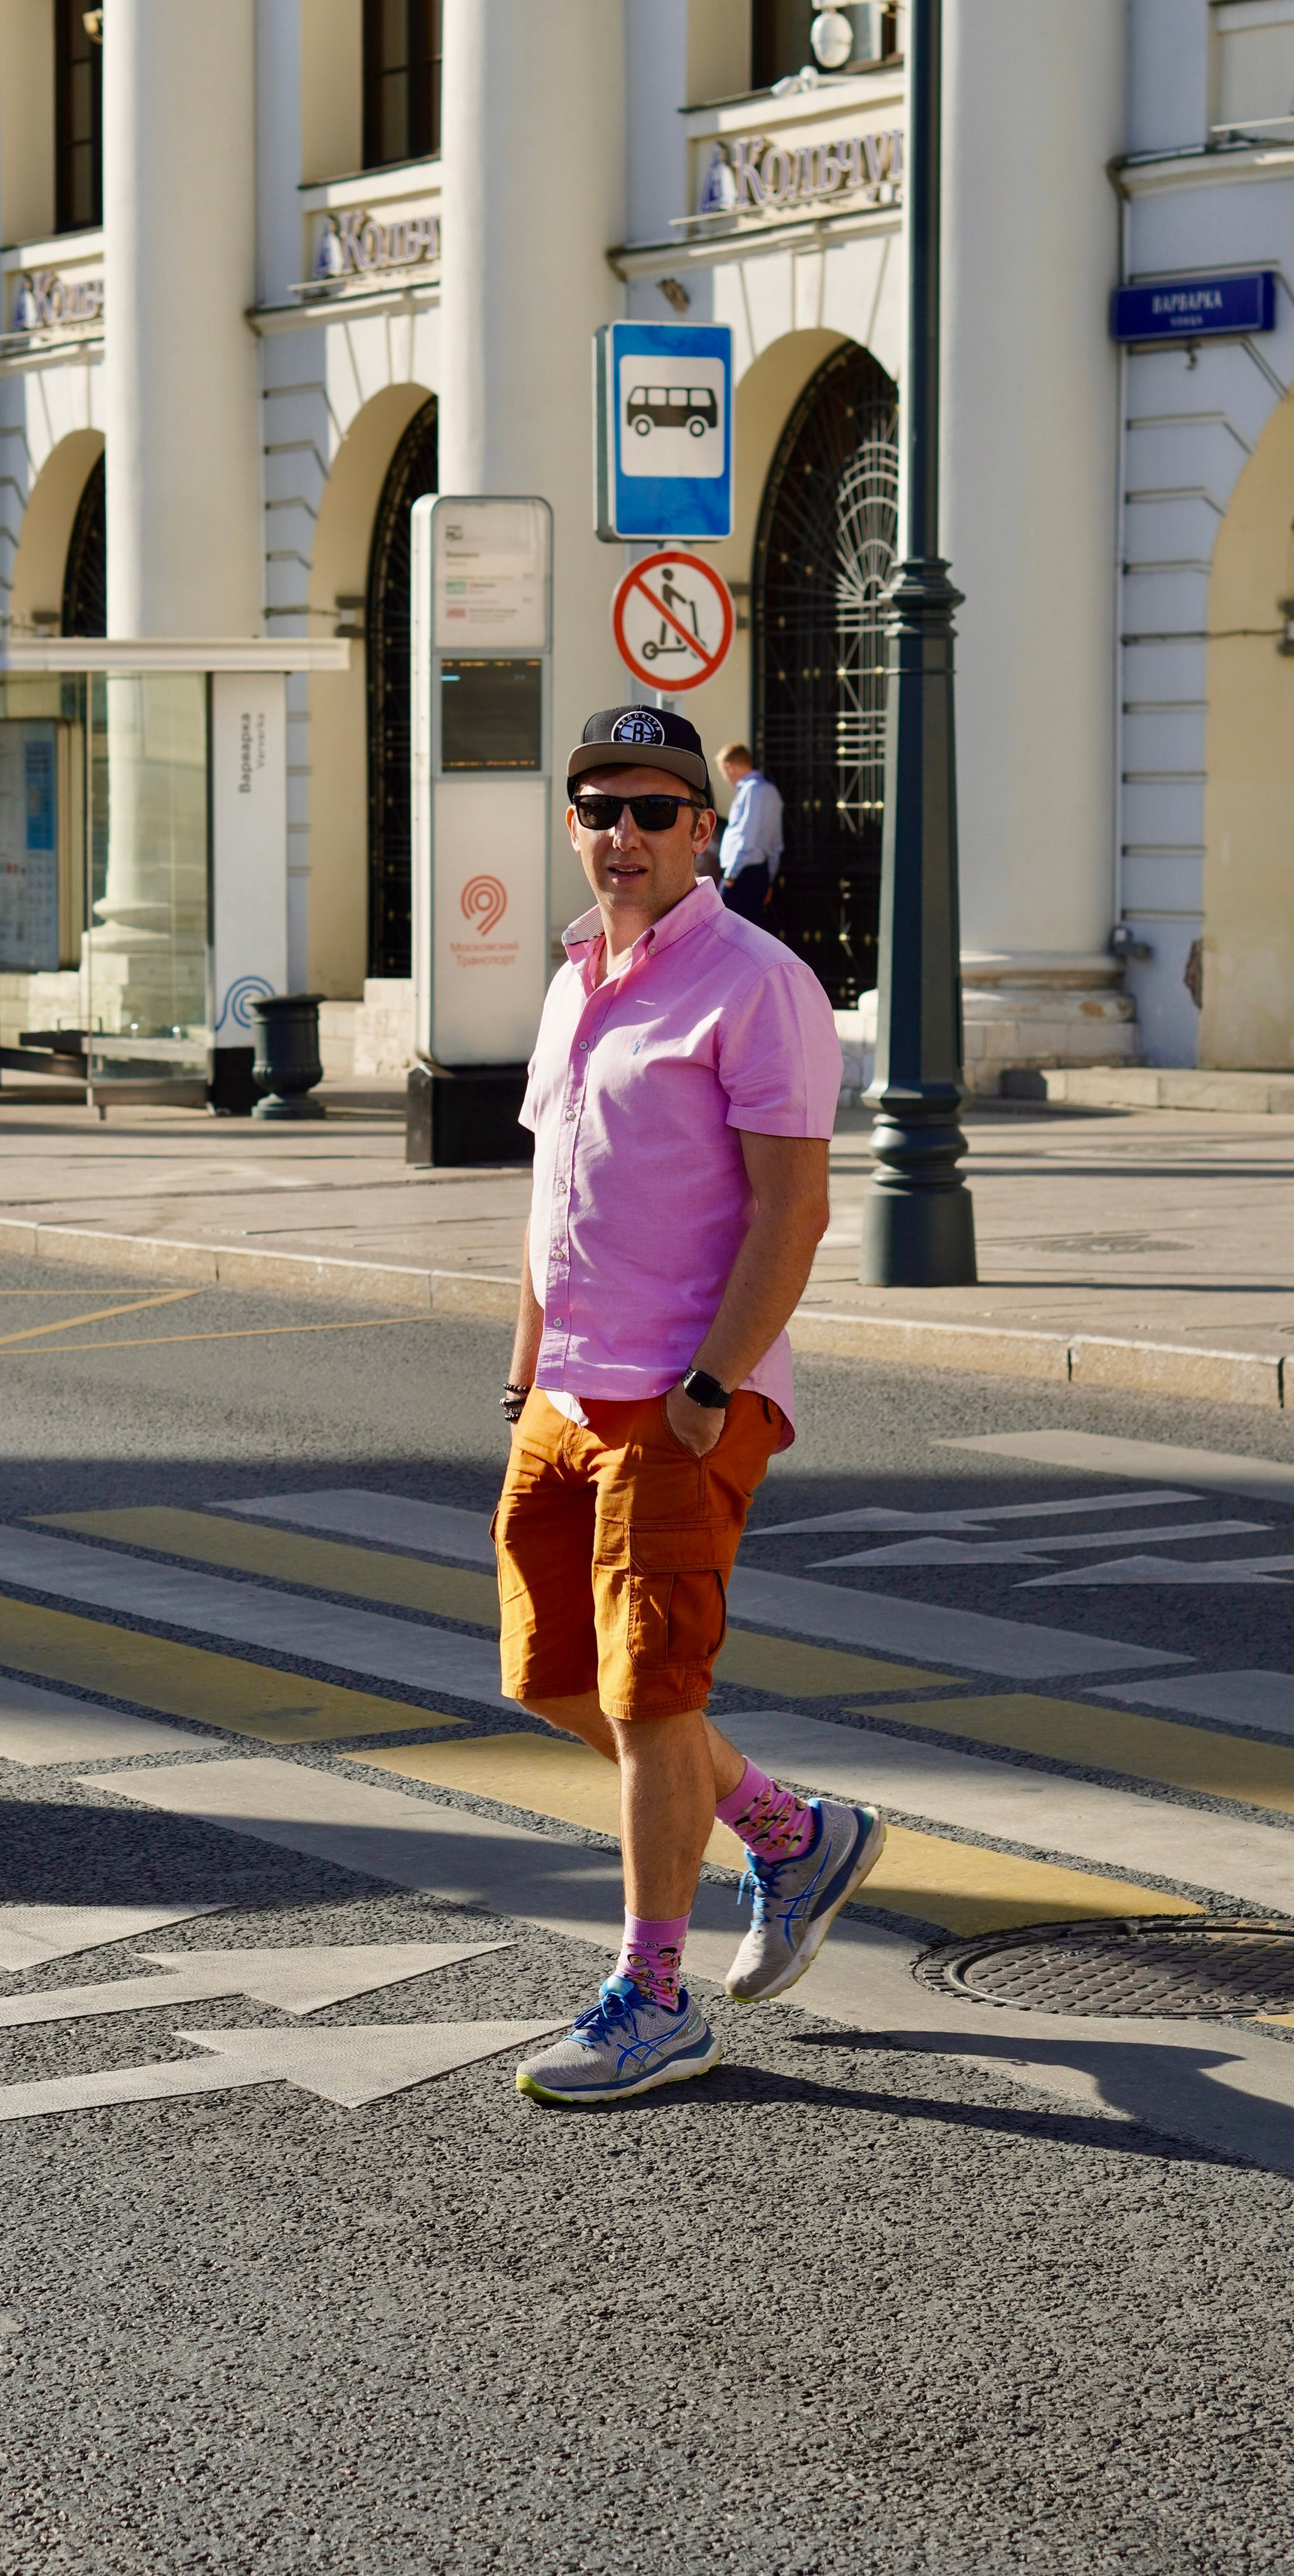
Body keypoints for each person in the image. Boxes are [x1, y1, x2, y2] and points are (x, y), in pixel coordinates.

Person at [499, 702, 881, 2105]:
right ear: (576, 826)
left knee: (653, 1691)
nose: (624, 835)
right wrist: (524, 1357)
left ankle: (652, 1994)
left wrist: (717, 1385)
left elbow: (793, 1206)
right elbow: (554, 1187)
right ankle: (787, 1834)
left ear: (703, 830)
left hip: (681, 1391)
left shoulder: (753, 981)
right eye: (601, 809)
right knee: (548, 1677)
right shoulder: (571, 978)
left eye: (654, 811)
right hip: (567, 1390)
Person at [714, 740, 783, 928]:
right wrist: (769, 879)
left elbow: (746, 838)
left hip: (742, 875)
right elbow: (776, 843)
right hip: (758, 872)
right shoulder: (770, 790)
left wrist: (730, 876)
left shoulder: (751, 791)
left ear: (729, 767)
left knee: (725, 931)